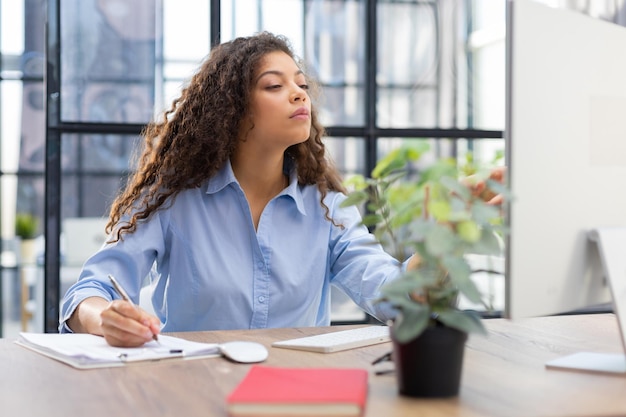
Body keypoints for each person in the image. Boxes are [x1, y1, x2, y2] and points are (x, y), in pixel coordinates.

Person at [59, 32, 406, 347]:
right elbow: (88, 293)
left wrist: (448, 232)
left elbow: (396, 296)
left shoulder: (328, 207)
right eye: (274, 86)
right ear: (231, 109)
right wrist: (106, 318)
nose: (300, 94)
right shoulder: (172, 199)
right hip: (192, 387)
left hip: (296, 390)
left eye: (301, 85)